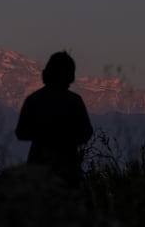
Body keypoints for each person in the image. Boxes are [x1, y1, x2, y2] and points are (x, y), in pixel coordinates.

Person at [15, 51, 93, 187]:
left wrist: (42, 135)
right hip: (68, 172)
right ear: (70, 77)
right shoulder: (74, 102)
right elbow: (86, 133)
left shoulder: (34, 100)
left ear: (47, 73)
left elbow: (21, 133)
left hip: (37, 171)